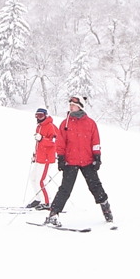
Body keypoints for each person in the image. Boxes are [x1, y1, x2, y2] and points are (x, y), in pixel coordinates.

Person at [46, 96, 113, 226]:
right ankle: (53, 214)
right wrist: (60, 157)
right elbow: (60, 143)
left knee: (95, 186)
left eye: (73, 105)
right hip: (70, 162)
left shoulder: (90, 123)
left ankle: (106, 208)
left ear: (80, 107)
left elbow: (95, 141)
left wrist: (97, 157)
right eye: (70, 104)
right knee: (65, 189)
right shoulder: (65, 123)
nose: (71, 107)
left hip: (88, 161)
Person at [25, 107, 57, 210]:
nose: (38, 118)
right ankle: (39, 198)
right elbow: (38, 143)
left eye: (41, 116)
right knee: (33, 178)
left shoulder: (50, 126)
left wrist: (42, 139)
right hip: (39, 157)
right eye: (37, 116)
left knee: (41, 181)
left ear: (45, 116)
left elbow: (54, 142)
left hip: (47, 158)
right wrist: (35, 154)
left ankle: (47, 202)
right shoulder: (39, 127)